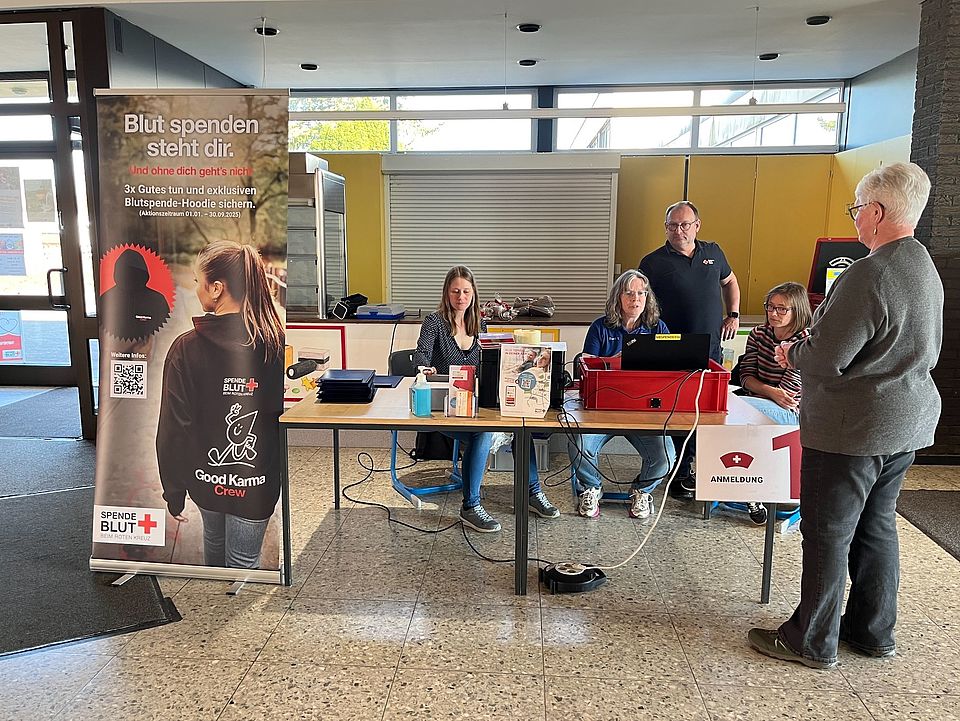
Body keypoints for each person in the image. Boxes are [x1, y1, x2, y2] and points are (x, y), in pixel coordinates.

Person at [748, 162, 943, 669]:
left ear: (877, 212)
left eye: (858, 208)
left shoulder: (868, 273)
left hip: (851, 430)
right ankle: (871, 632)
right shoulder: (924, 264)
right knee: (877, 528)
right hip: (906, 424)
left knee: (829, 532)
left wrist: (793, 353)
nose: (856, 218)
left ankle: (810, 640)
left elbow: (827, 357)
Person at [157, 240, 285, 569]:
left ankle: (217, 606)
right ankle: (235, 617)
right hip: (257, 481)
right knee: (244, 561)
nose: (195, 288)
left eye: (198, 281)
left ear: (216, 288)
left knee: (213, 543)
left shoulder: (185, 349)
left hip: (205, 479)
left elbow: (174, 428)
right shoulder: (276, 345)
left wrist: (174, 489)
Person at [414, 265, 559, 532]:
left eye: (466, 291)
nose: (461, 297)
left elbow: (489, 363)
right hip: (447, 407)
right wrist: (425, 368)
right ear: (447, 292)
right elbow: (421, 354)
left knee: (520, 427)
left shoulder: (480, 324)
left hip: (479, 403)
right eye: (455, 291)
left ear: (473, 294)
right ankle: (470, 506)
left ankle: (531, 492)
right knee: (483, 433)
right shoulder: (434, 322)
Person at [639, 201, 741, 500]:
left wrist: (733, 314)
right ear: (665, 227)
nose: (678, 231)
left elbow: (730, 281)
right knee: (675, 410)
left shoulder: (713, 252)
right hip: (671, 349)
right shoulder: (653, 262)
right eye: (672, 225)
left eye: (684, 224)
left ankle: (700, 469)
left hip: (710, 347)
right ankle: (676, 469)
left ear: (697, 225)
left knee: (706, 411)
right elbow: (642, 301)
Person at [569, 270, 677, 520]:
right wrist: (612, 362)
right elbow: (585, 365)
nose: (635, 299)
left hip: (644, 412)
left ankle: (642, 491)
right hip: (602, 410)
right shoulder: (600, 326)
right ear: (618, 297)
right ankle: (592, 488)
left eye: (641, 293)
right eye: (629, 293)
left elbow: (670, 369)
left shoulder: (658, 327)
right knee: (577, 443)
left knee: (667, 456)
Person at [734, 281, 813, 525]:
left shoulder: (806, 340)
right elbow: (745, 375)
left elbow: (788, 394)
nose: (774, 314)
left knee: (735, 411)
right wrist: (767, 391)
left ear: (797, 311)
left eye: (782, 309)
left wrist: (760, 393)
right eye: (770, 307)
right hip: (757, 401)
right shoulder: (759, 333)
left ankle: (752, 492)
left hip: (793, 412)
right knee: (725, 411)